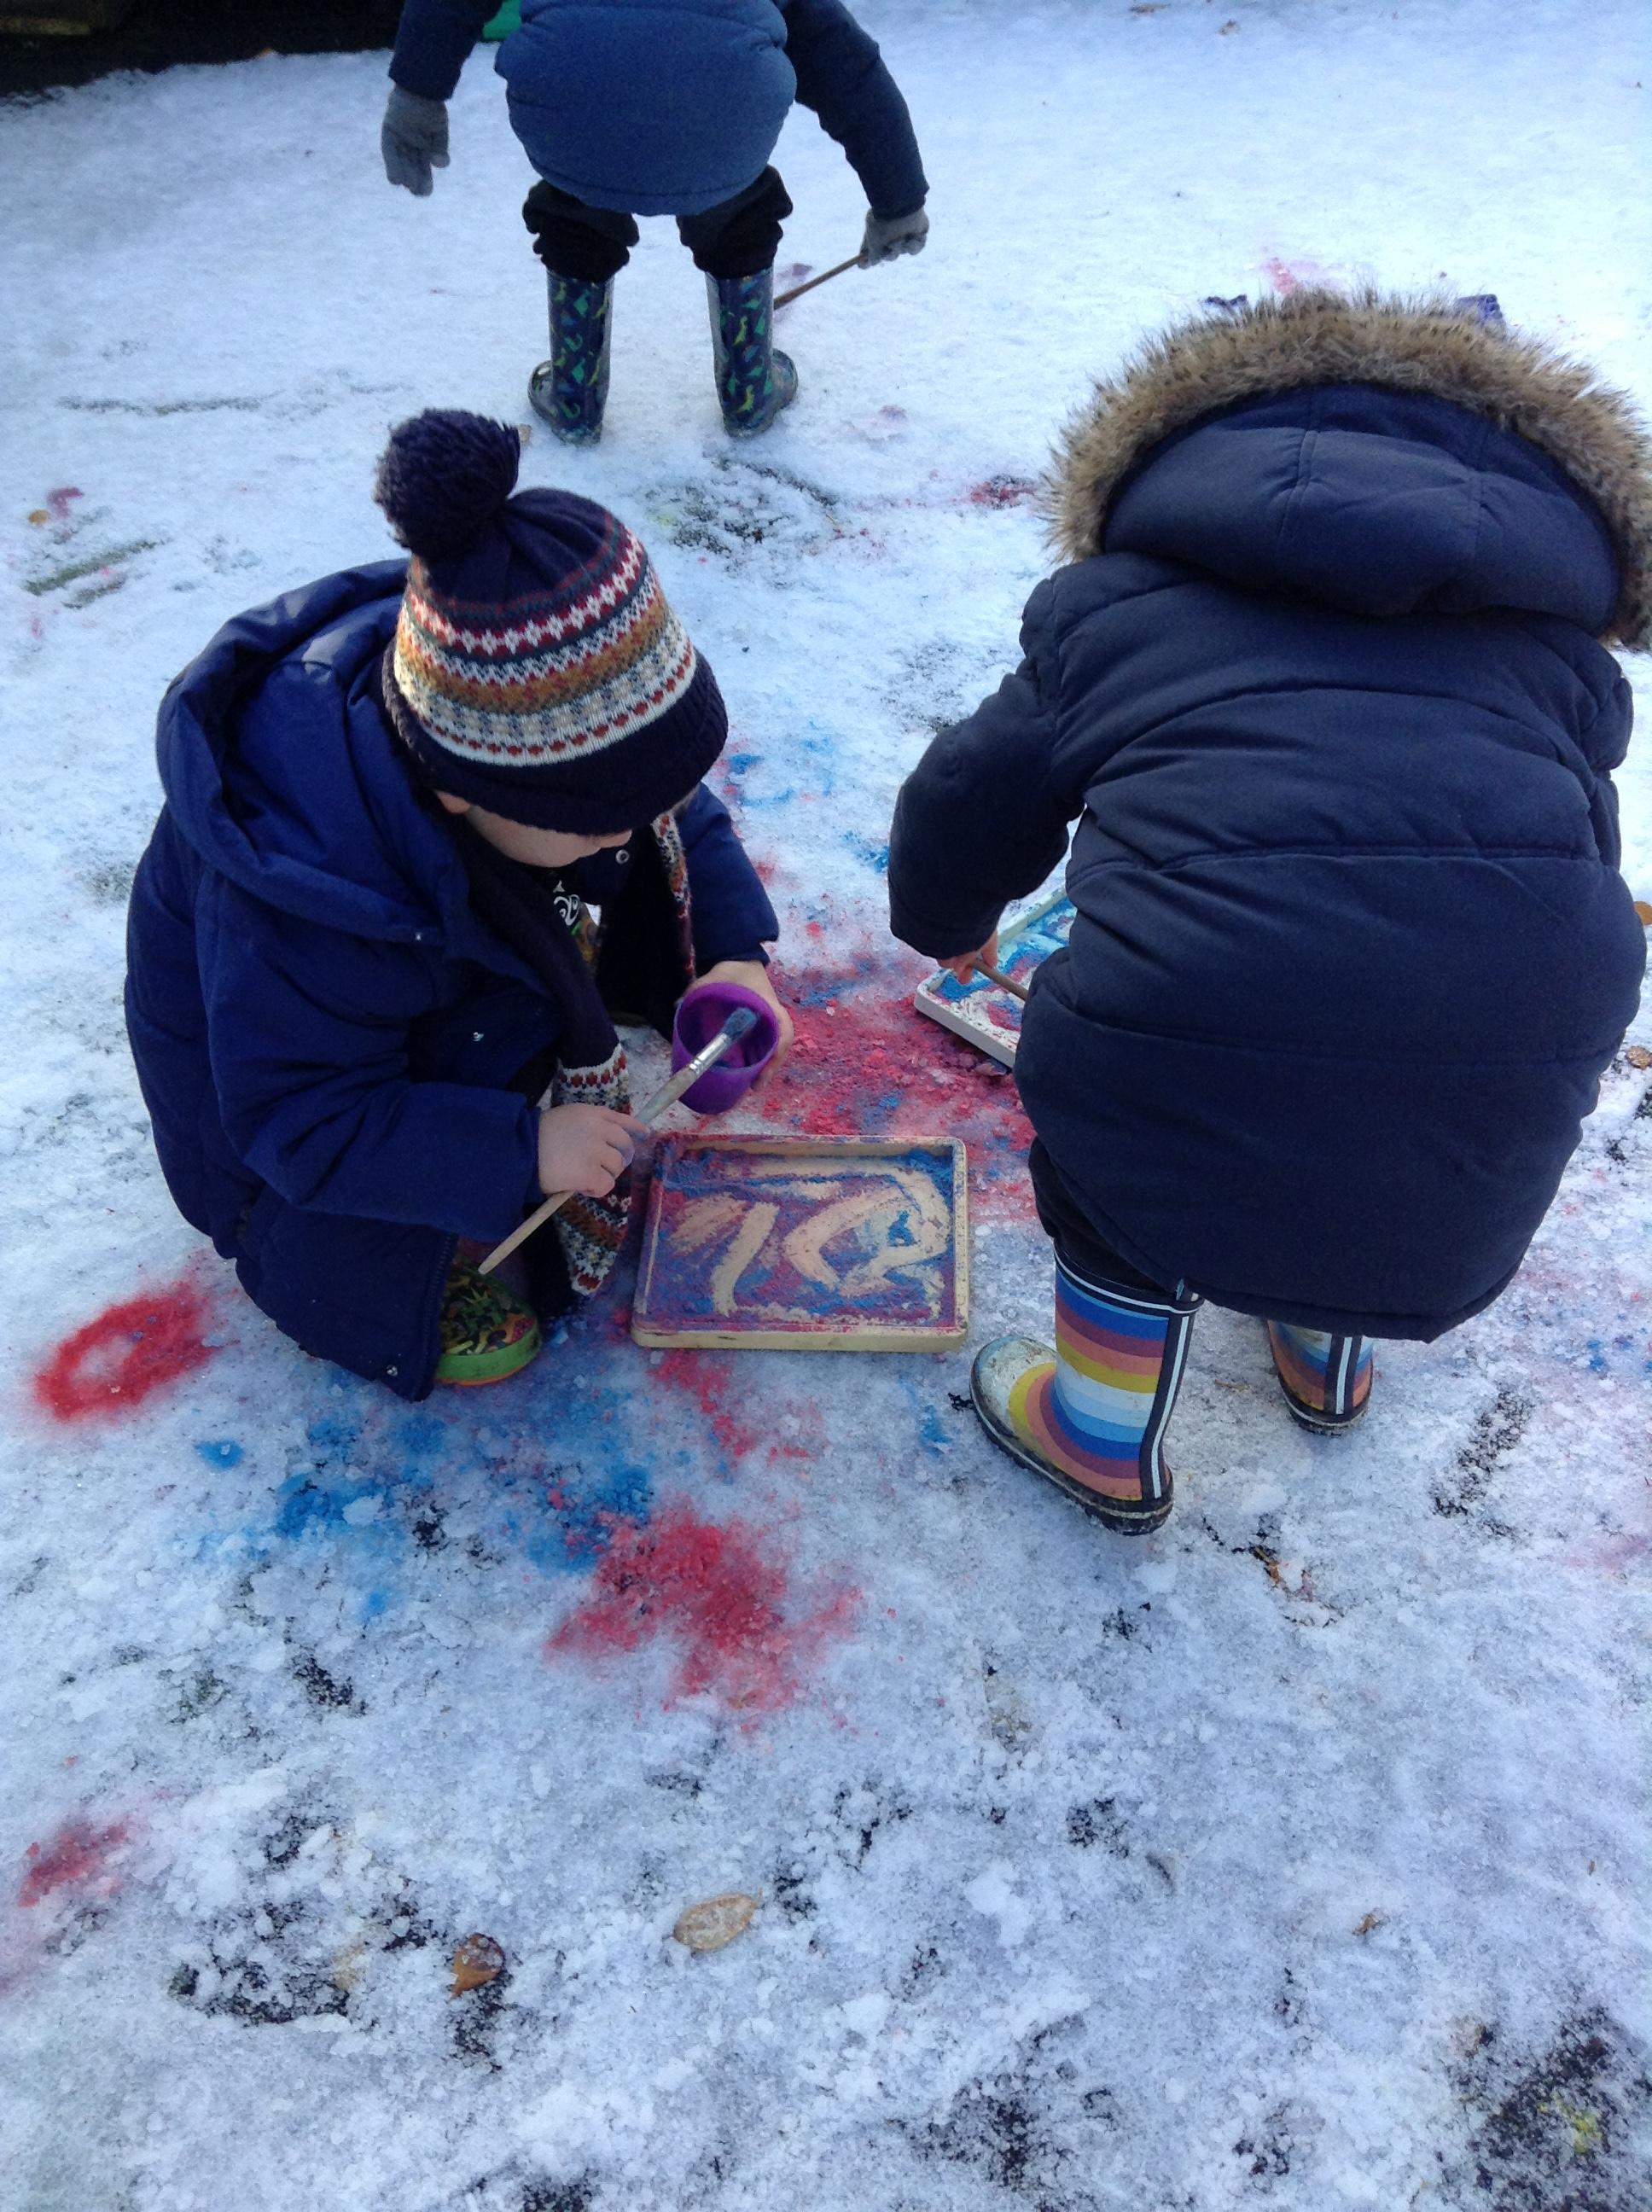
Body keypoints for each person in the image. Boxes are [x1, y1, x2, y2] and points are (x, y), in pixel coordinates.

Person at [887, 288, 1649, 1534]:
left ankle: (1100, 1438)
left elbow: (967, 798)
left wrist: (948, 919)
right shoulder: (1558, 660)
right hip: (1495, 1071)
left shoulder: (1122, 611)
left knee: (1123, 1164)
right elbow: (1570, 857)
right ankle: (1325, 1360)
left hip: (1180, 1026)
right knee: (1381, 1102)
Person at [126, 410, 789, 1400]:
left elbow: (669, 814)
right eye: (595, 820)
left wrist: (733, 952)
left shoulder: (525, 752)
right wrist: (520, 1149)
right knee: (365, 1250)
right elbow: (302, 1122)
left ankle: (511, 1031)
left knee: (594, 882)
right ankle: (365, 1284)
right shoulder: (313, 898)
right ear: (457, 792)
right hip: (274, 1141)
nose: (633, 827)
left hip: (425, 956)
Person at [380, 0, 929, 441]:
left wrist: (416, 91)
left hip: (570, 95)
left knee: (576, 209)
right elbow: (846, 68)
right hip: (724, 107)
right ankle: (749, 389)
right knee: (737, 212)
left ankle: (575, 396)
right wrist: (898, 201)